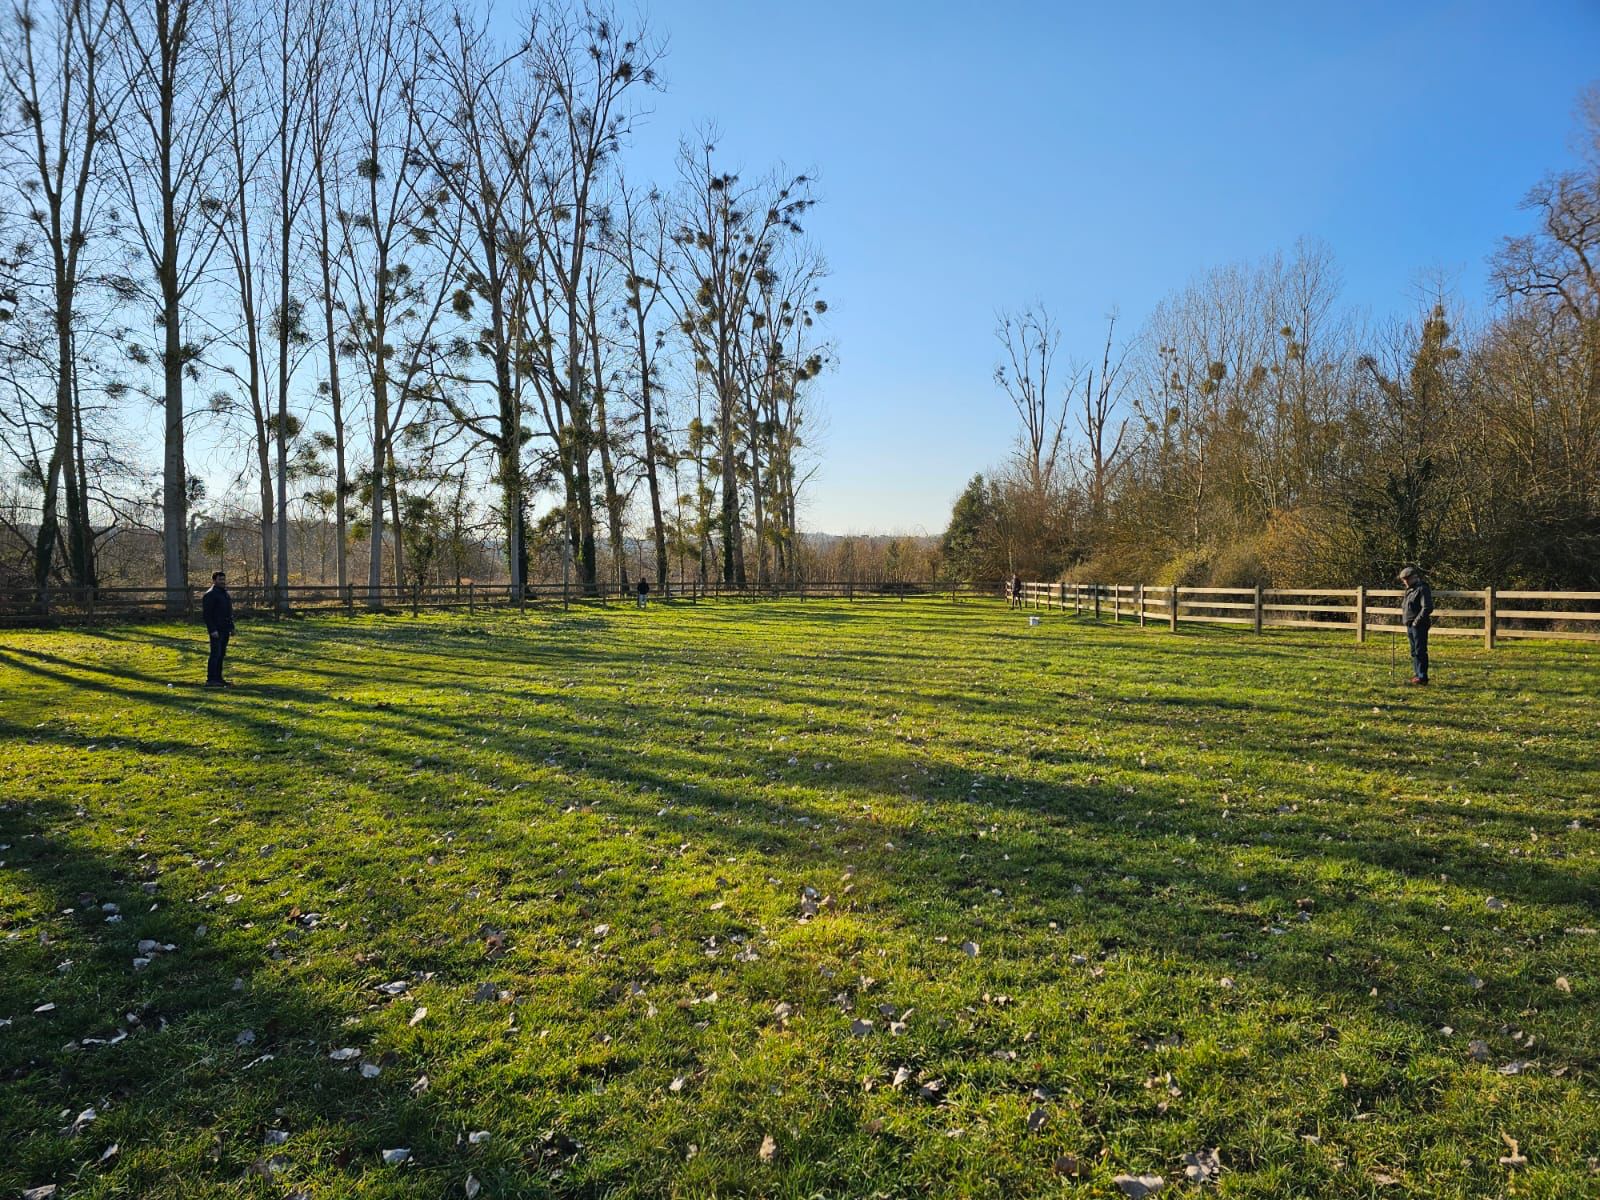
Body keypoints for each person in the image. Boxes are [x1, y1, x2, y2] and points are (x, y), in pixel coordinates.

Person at [1398, 564, 1434, 685]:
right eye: (1404, 580)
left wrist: (1416, 622)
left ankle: (1423, 677)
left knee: (1420, 651)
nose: (1405, 582)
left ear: (1414, 577)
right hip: (1410, 624)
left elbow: (1427, 607)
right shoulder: (1409, 590)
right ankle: (1417, 674)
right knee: (1414, 651)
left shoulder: (1422, 588)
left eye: (1407, 579)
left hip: (1419, 625)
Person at [202, 570, 235, 688]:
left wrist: (231, 627)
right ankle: (211, 679)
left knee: (221, 654)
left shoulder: (224, 593)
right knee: (215, 654)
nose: (223, 581)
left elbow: (228, 612)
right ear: (214, 580)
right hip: (216, 629)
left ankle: (219, 678)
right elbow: (207, 615)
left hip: (225, 628)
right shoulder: (210, 594)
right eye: (220, 579)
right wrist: (212, 630)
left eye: (223, 579)